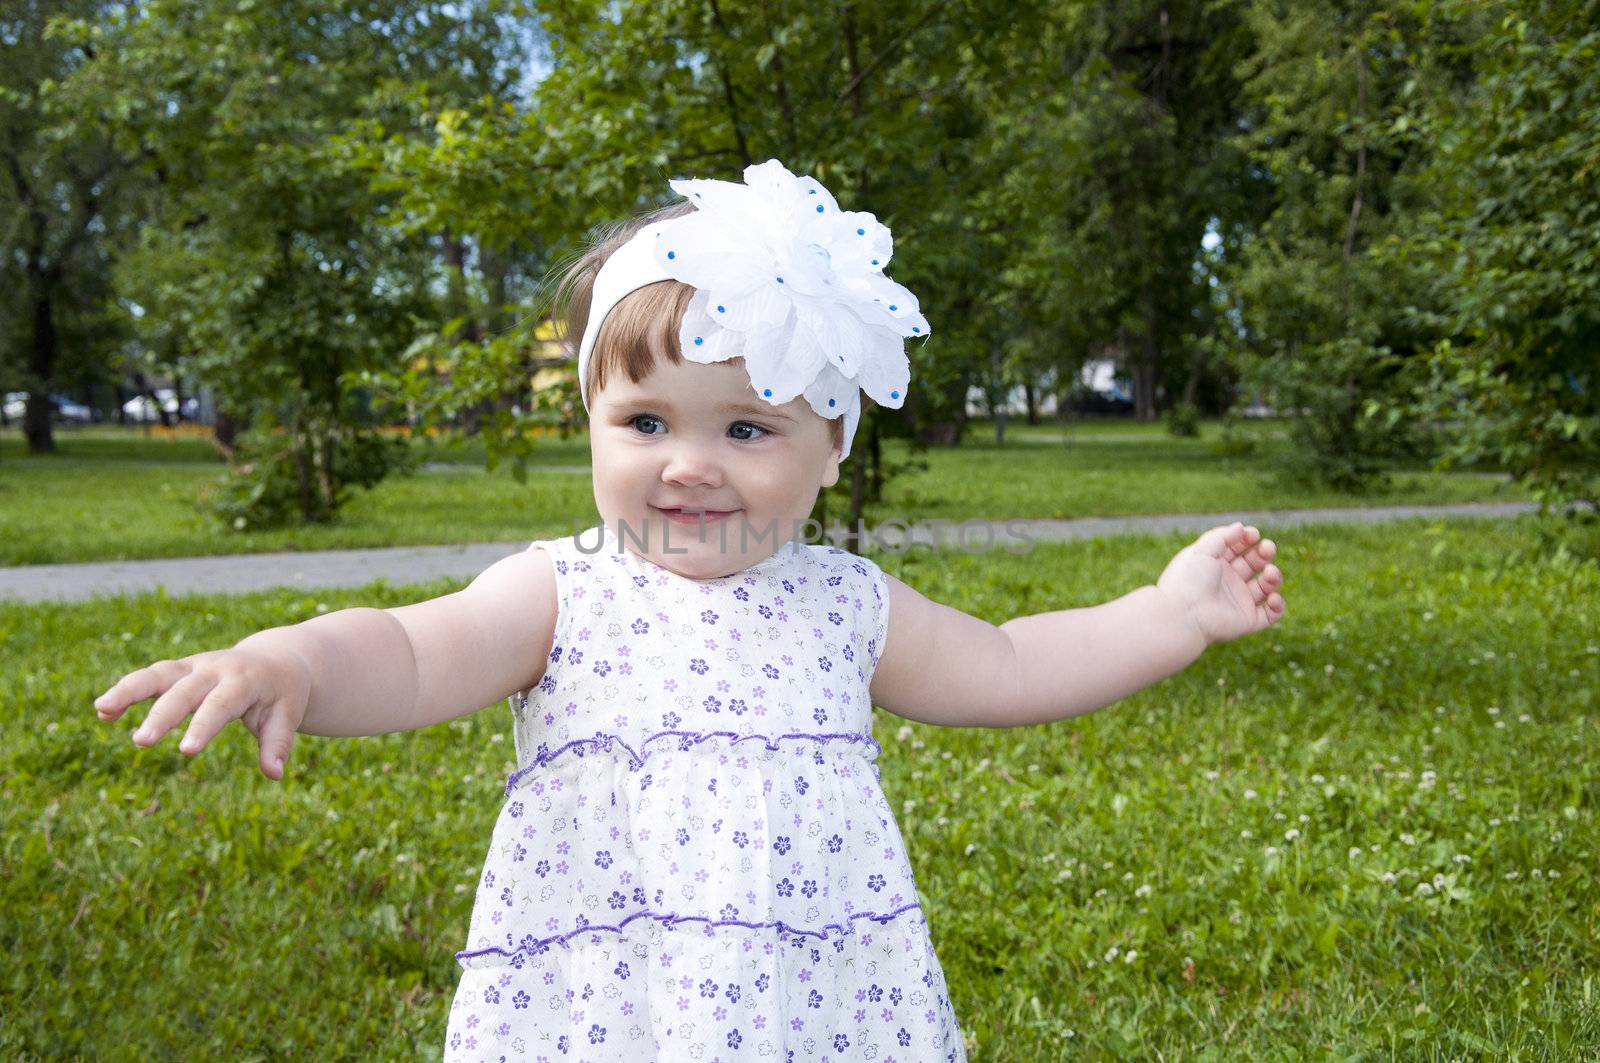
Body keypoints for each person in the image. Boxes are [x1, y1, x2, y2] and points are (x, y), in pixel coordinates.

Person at [93, 159, 1286, 1062]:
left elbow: (1016, 661)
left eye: (748, 429)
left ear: (831, 452)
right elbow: (411, 647)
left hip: (813, 990)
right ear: (595, 422)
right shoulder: (563, 591)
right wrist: (288, 658)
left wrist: (1168, 612)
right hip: (606, 990)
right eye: (647, 422)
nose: (689, 464)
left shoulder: (844, 605)